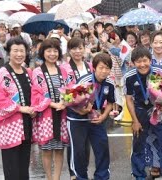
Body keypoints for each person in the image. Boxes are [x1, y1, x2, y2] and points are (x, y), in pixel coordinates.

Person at [124, 47, 162, 179]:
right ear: (133, 62)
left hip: (161, 110)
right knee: (138, 144)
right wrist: (135, 120)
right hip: (140, 111)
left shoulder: (160, 73)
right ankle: (138, 174)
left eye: (145, 60)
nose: (142, 64)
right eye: (138, 61)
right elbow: (129, 99)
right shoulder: (129, 77)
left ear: (150, 60)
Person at [0, 37, 36, 180]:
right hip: (10, 127)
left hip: (26, 125)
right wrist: (20, 108)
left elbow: (35, 94)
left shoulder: (28, 72)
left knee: (24, 167)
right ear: (8, 53)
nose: (19, 54)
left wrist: (35, 108)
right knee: (12, 169)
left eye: (22, 51)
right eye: (15, 51)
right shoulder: (1, 74)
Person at [69, 52, 115, 180]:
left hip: (96, 119)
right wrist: (81, 111)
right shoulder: (84, 81)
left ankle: (102, 176)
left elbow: (111, 102)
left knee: (102, 147)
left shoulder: (109, 83)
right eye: (101, 67)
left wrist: (104, 116)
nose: (104, 71)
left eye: (107, 68)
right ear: (94, 68)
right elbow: (70, 100)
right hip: (77, 119)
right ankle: (80, 177)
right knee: (79, 152)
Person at [31, 39, 69, 180]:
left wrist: (65, 102)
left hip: (62, 115)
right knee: (47, 150)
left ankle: (57, 177)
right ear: (43, 52)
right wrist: (53, 104)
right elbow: (36, 95)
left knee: (59, 149)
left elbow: (70, 90)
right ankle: (49, 177)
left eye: (55, 50)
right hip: (46, 115)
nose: (52, 54)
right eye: (49, 51)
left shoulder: (63, 70)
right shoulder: (37, 72)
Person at [60, 37, 92, 180]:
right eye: (74, 48)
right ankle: (74, 174)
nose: (77, 51)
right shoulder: (64, 68)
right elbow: (65, 92)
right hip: (74, 113)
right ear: (69, 51)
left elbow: (94, 87)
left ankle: (83, 172)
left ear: (84, 49)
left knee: (85, 147)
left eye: (80, 48)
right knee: (75, 146)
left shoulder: (90, 66)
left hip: (89, 111)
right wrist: (77, 108)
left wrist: (90, 105)